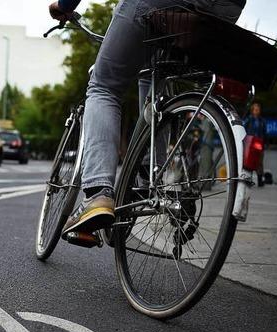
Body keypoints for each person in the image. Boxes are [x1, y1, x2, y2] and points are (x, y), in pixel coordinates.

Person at [49, 0, 246, 237]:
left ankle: (98, 194)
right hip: (225, 9)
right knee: (153, 76)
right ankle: (144, 180)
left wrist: (65, 5)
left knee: (104, 86)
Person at [243, 102, 268, 187]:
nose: (257, 111)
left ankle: (260, 181)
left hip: (259, 143)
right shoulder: (249, 119)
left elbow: (265, 133)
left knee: (259, 162)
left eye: (258, 109)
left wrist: (265, 143)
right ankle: (248, 180)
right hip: (250, 143)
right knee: (249, 162)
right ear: (252, 110)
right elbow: (244, 130)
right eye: (255, 109)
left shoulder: (262, 121)